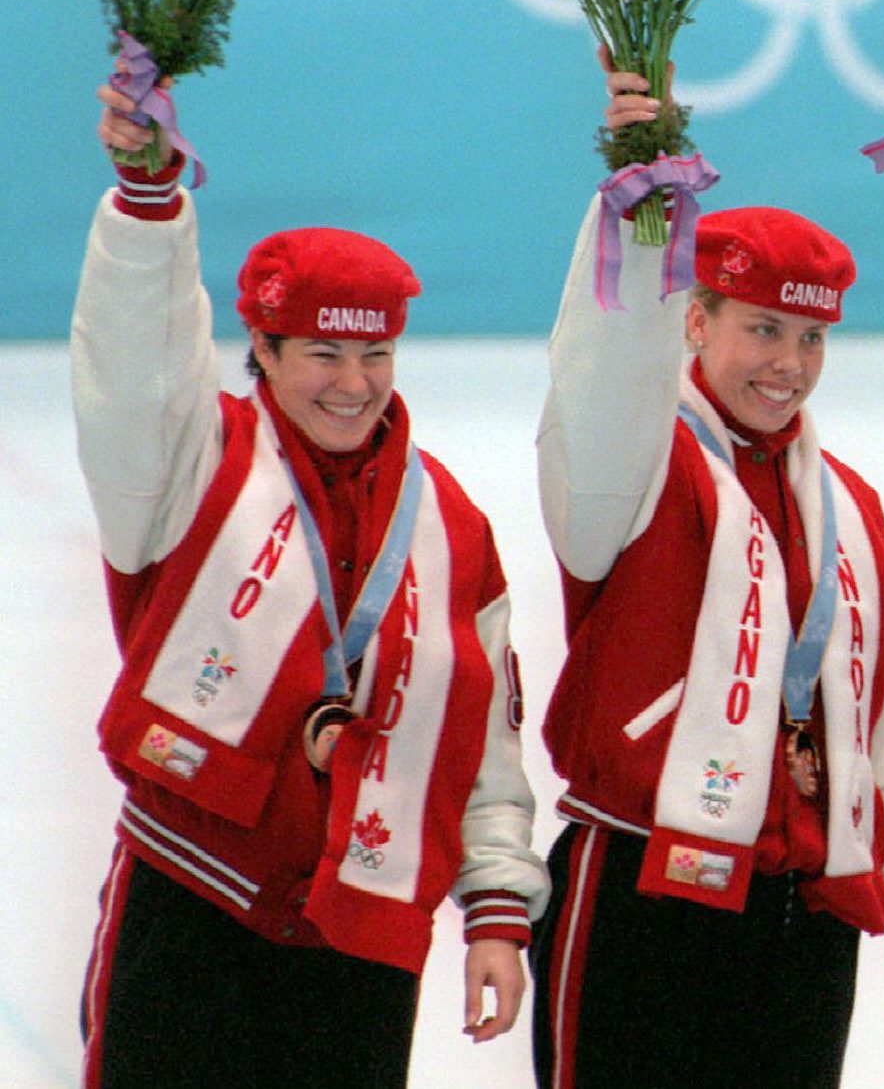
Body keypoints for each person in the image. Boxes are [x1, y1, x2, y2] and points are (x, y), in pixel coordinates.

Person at [75, 74, 548, 1089]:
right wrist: (148, 202)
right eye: (323, 353)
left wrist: (498, 910)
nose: (353, 382)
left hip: (363, 927)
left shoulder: (448, 522)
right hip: (192, 893)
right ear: (261, 347)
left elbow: (484, 740)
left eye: (376, 353)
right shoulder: (194, 467)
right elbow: (132, 363)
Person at [529, 55, 884, 1088]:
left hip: (802, 918)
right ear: (694, 321)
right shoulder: (637, 462)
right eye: (762, 328)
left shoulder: (845, 505)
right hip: (643, 887)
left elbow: (882, 733)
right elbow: (595, 386)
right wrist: (637, 230)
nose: (789, 363)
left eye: (811, 337)